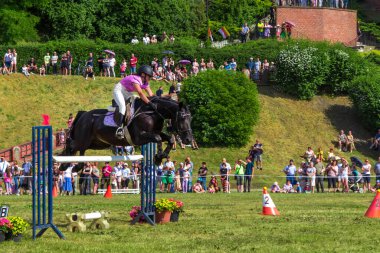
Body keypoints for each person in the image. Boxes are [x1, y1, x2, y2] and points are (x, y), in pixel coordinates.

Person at [112, 65, 155, 138]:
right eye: (149, 76)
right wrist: (149, 103)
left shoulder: (145, 83)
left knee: (136, 100)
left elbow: (151, 95)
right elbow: (140, 93)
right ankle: (119, 128)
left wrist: (163, 97)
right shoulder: (136, 79)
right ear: (143, 75)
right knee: (122, 106)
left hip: (127, 92)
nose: (150, 78)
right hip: (118, 90)